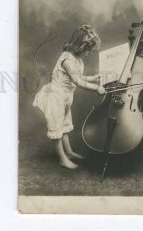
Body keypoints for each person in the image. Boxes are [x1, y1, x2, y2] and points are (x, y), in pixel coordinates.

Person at [33, 25, 105, 169]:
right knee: (57, 128)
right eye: (88, 50)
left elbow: (79, 76)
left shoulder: (77, 59)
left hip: (65, 97)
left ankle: (69, 152)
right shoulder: (67, 60)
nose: (89, 53)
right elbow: (77, 81)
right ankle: (62, 158)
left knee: (64, 126)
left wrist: (93, 78)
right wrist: (96, 88)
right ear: (80, 46)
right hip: (55, 98)